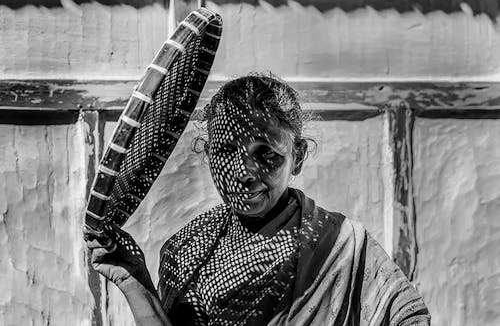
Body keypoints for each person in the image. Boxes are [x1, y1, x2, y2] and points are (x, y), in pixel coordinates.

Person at [85, 74, 431, 325]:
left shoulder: (343, 245)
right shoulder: (186, 250)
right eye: (225, 151)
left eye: (266, 154)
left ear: (298, 157)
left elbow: (409, 318)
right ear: (207, 153)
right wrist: (134, 280)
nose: (244, 171)